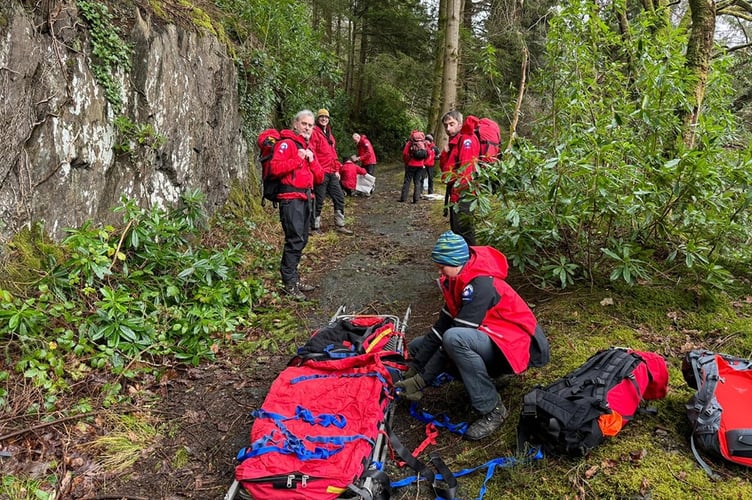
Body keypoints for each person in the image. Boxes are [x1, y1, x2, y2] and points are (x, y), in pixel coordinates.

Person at [395, 231, 549, 441]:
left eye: (442, 266)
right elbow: (439, 328)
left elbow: (450, 338)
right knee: (417, 346)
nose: (439, 271)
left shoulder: (480, 285)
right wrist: (415, 366)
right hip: (493, 338)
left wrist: (421, 381)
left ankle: (492, 409)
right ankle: (489, 378)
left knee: (454, 340)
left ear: (456, 261)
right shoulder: (457, 280)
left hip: (517, 346)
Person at [268, 109, 324, 301]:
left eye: (310, 125)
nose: (307, 128)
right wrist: (298, 158)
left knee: (303, 239)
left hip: (306, 198)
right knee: (294, 240)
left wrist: (311, 159)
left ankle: (293, 278)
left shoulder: (308, 147)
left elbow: (320, 177)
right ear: (295, 124)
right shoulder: (286, 144)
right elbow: (275, 168)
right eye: (304, 124)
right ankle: (289, 284)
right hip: (290, 198)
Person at [439, 111, 480, 245]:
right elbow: (446, 168)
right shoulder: (455, 142)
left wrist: (459, 193)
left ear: (460, 124)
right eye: (446, 125)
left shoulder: (466, 140)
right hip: (456, 193)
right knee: (457, 231)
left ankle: (471, 263)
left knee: (465, 231)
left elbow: (467, 170)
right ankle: (460, 263)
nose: (448, 129)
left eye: (452, 124)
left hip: (464, 194)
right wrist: (445, 152)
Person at [310, 108, 352, 234]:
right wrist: (318, 171)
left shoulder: (329, 134)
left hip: (332, 172)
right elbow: (312, 153)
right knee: (319, 200)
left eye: (326, 117)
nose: (324, 119)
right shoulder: (314, 132)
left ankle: (340, 225)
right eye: (322, 117)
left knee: (339, 197)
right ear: (318, 119)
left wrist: (337, 170)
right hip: (321, 172)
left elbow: (333, 154)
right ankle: (314, 227)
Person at [400, 130, 433, 204]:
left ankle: (403, 198)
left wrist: (407, 162)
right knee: (417, 182)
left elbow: (405, 153)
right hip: (420, 166)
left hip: (411, 165)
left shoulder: (410, 143)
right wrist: (424, 162)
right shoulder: (423, 143)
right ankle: (416, 199)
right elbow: (429, 153)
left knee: (407, 181)